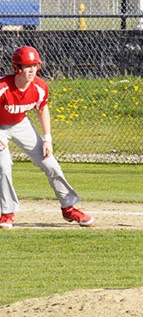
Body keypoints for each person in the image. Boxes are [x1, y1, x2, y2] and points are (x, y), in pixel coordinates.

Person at [0, 46, 95, 230]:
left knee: (51, 163)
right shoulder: (3, 87)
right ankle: (7, 213)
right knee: (3, 166)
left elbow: (42, 109)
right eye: (27, 66)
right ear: (17, 68)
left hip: (21, 124)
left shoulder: (39, 87)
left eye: (35, 65)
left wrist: (47, 139)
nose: (32, 70)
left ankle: (69, 207)